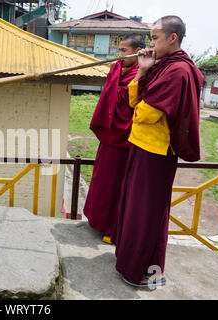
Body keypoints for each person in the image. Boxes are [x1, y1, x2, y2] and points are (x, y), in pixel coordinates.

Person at [111, 16, 204, 288]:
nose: (150, 44)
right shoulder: (163, 66)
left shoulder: (178, 71)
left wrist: (140, 99)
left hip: (156, 152)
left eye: (155, 38)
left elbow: (145, 114)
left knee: (147, 213)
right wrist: (143, 71)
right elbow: (134, 101)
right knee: (137, 209)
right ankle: (132, 262)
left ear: (172, 38)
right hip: (142, 146)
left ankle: (141, 270)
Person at [84, 34, 145, 243]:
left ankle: (114, 227)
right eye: (119, 50)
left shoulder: (142, 72)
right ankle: (98, 221)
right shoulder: (118, 69)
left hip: (124, 138)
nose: (120, 55)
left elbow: (129, 101)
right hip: (109, 136)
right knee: (102, 180)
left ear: (138, 51)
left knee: (117, 184)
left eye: (124, 51)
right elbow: (109, 96)